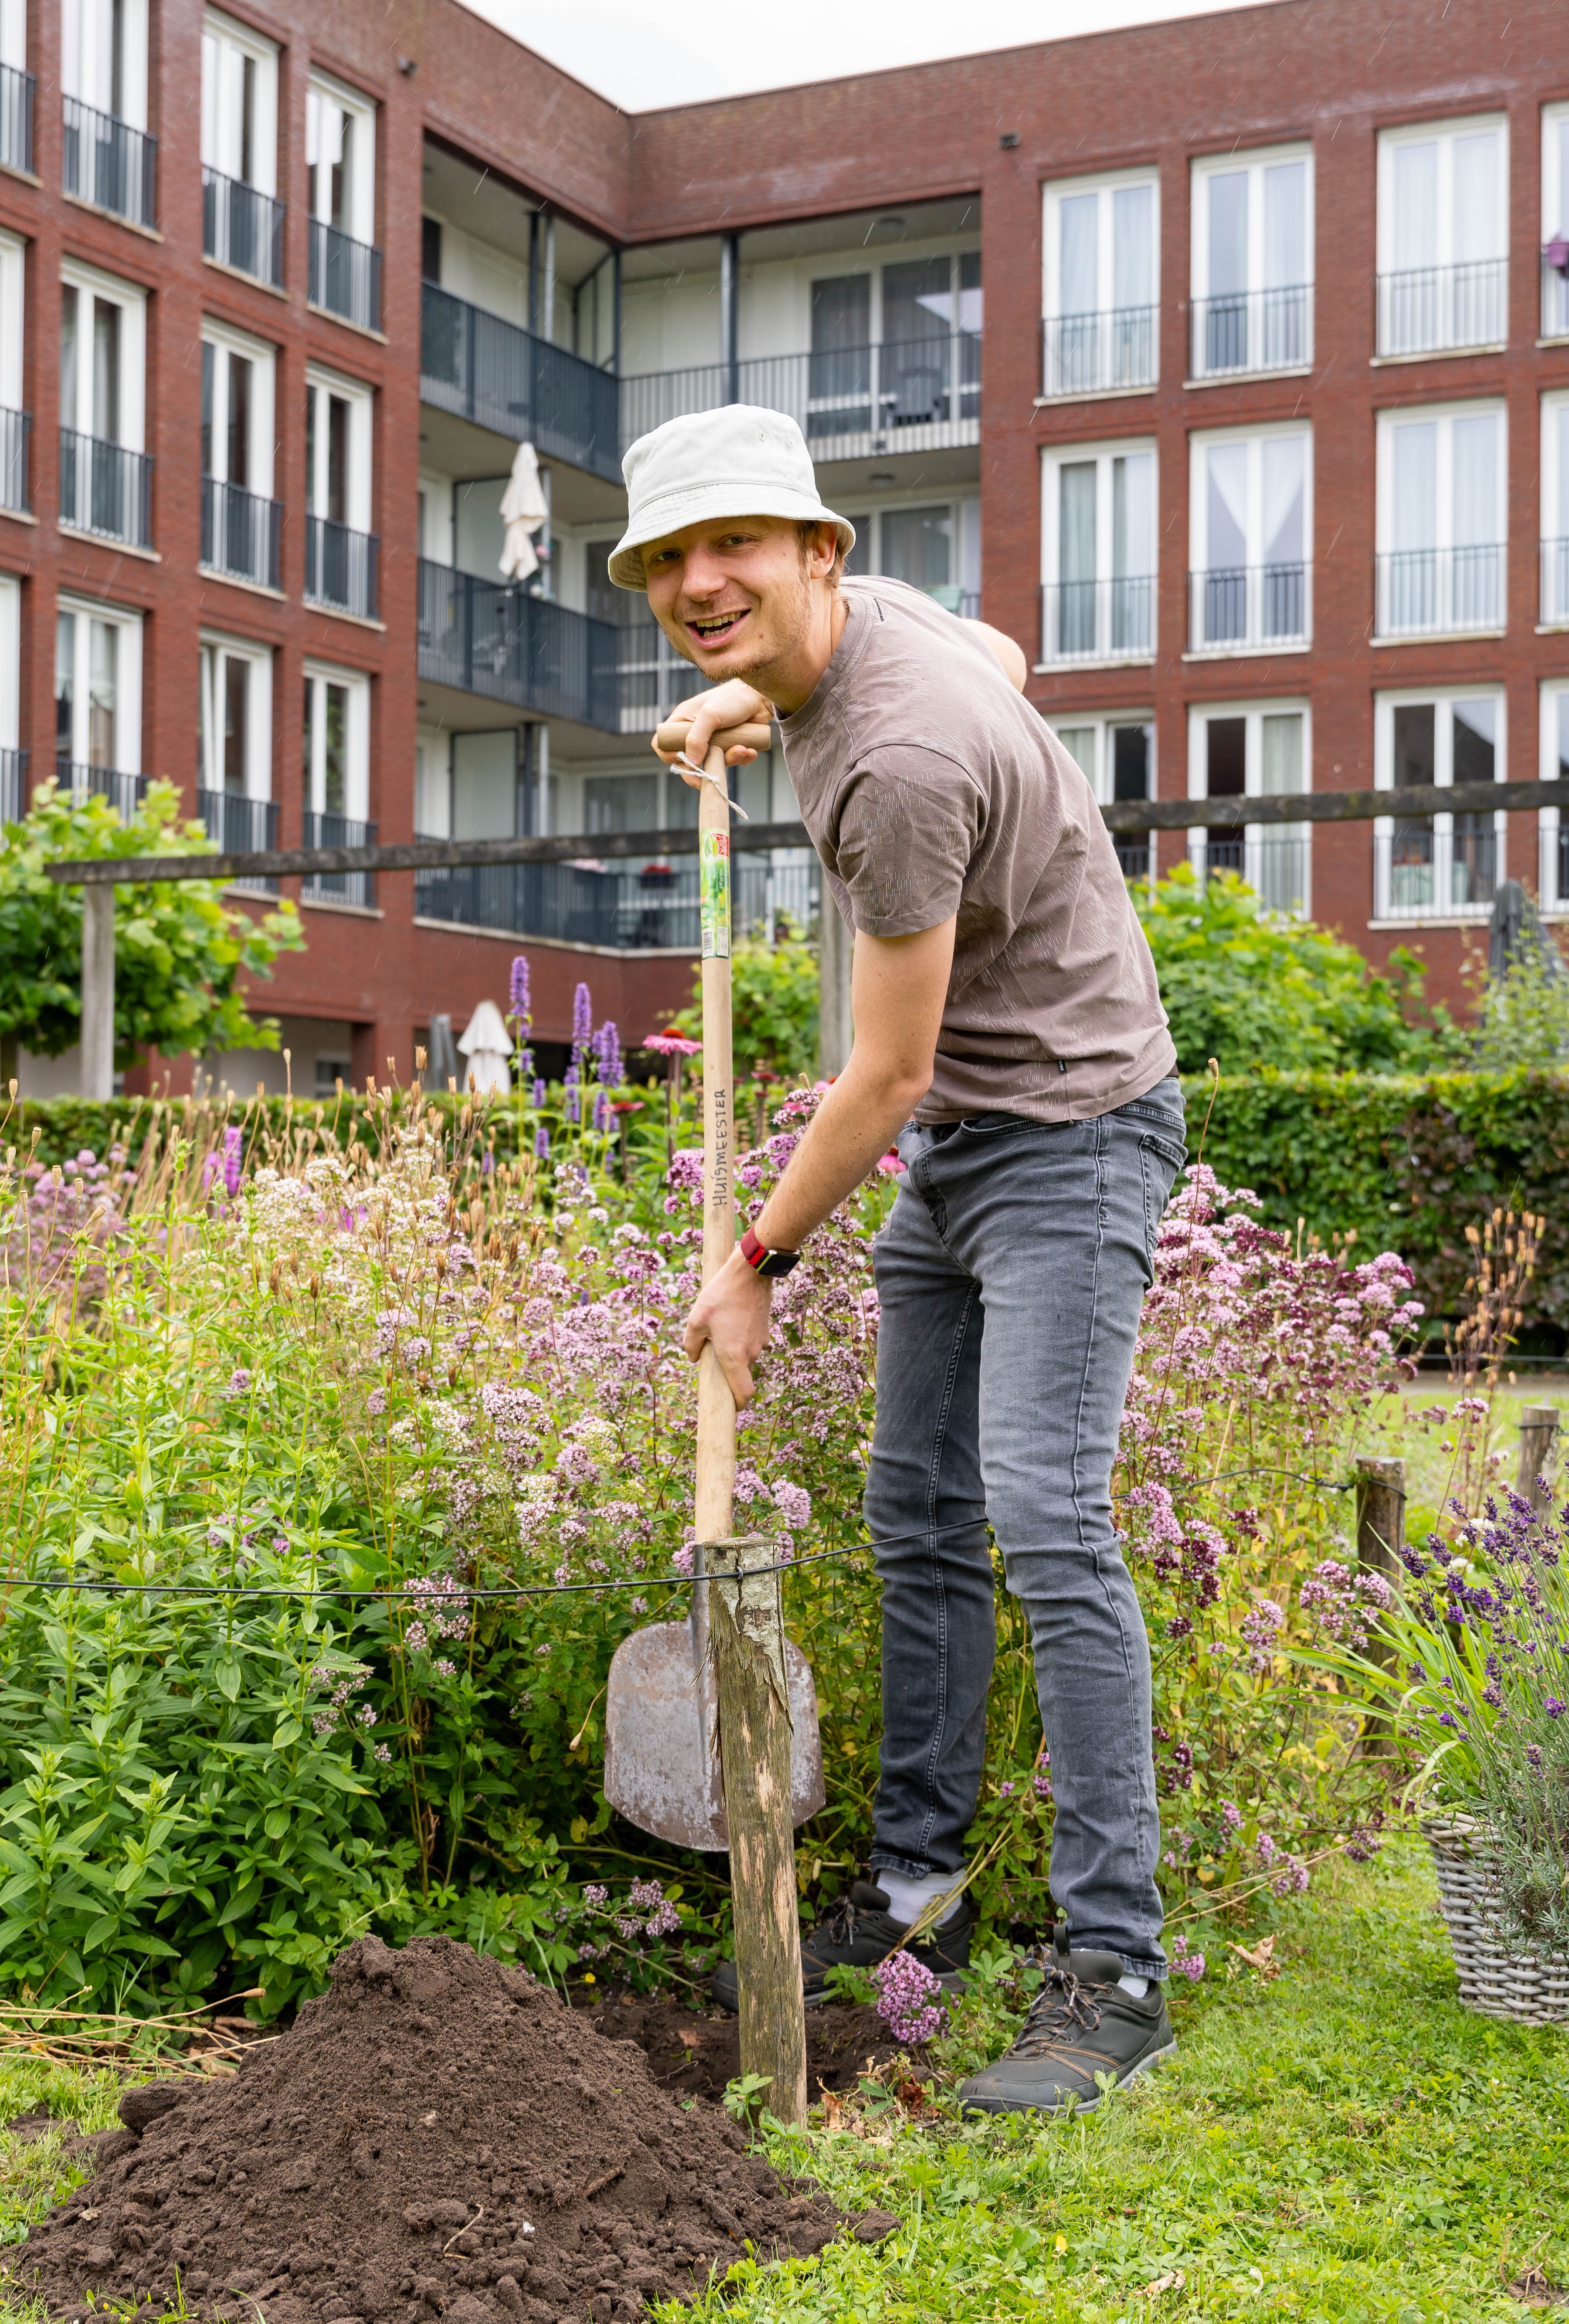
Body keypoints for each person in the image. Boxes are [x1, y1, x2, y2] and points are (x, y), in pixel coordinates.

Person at [605, 404, 1188, 2117]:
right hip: (971, 1138)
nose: (701, 583)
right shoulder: (896, 638)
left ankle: (1117, 1967)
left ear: (815, 552)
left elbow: (887, 1071)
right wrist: (746, 687)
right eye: (671, 562)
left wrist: (753, 1259)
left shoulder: (895, 765)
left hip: (1068, 1128)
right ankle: (918, 1881)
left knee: (1043, 1517)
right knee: (912, 1507)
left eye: (737, 550)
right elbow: (992, 643)